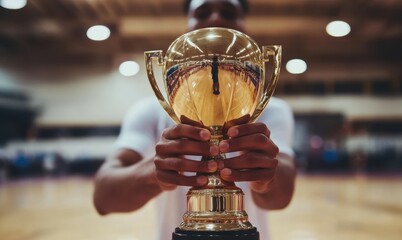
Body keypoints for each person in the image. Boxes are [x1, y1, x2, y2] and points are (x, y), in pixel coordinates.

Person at [93, 1, 296, 240]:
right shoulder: (149, 110)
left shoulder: (273, 110)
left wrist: (267, 179)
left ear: (245, 28)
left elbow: (282, 196)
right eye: (203, 12)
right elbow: (103, 197)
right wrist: (153, 173)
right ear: (187, 28)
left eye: (229, 13)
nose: (216, 18)